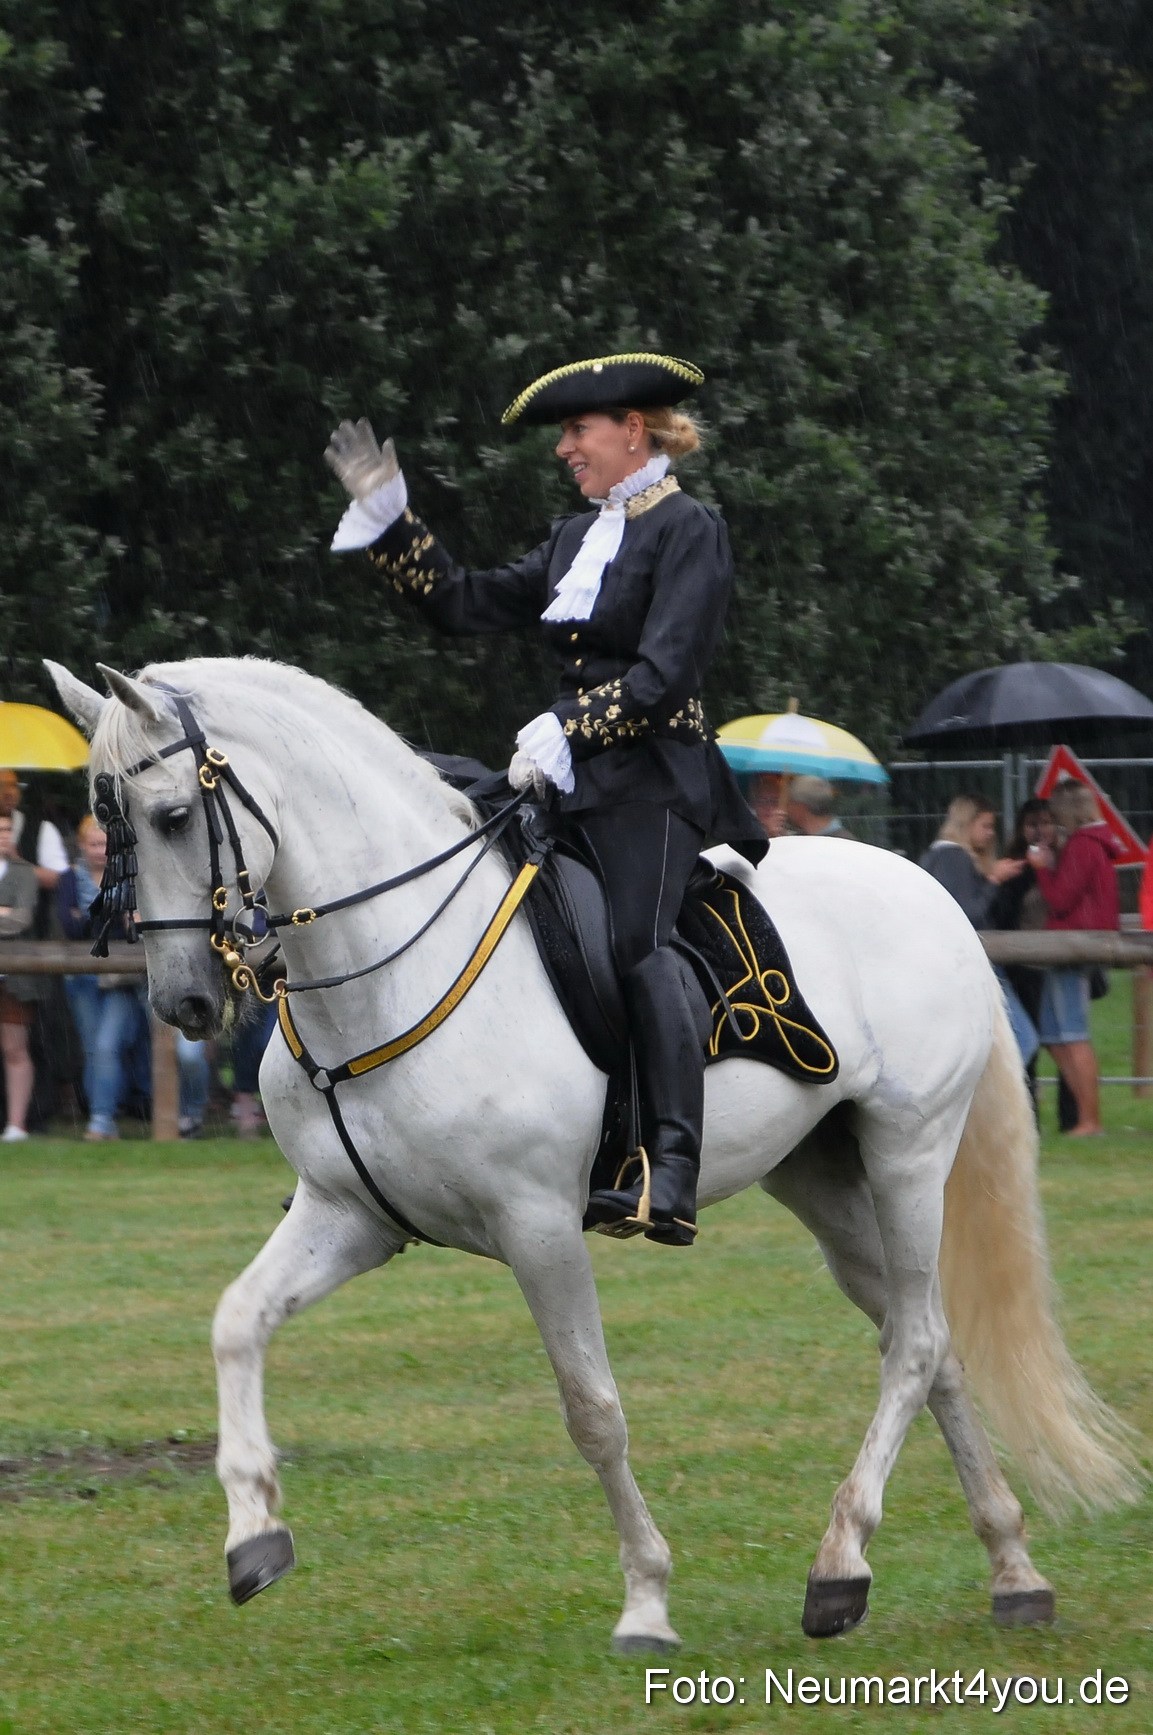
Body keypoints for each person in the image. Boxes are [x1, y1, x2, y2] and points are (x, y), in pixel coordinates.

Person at [325, 353, 767, 1245]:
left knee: (637, 944)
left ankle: (668, 1164)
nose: (565, 449)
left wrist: (571, 727)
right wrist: (389, 516)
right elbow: (462, 604)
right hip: (566, 781)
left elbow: (664, 674)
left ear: (632, 430)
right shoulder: (573, 539)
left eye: (576, 431)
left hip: (655, 782)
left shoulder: (689, 528)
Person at [1029, 778, 1121, 1136]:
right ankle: (1085, 1115)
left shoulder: (1083, 845)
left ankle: (1090, 1121)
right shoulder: (1094, 843)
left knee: (1073, 1034)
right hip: (1072, 944)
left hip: (1073, 946)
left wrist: (1042, 867)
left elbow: (1060, 900)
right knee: (1054, 1036)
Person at [919, 794, 1037, 1066]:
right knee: (1022, 1040)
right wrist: (994, 880)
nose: (991, 833)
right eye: (985, 826)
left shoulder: (935, 856)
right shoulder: (954, 857)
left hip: (950, 968)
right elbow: (970, 915)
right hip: (975, 966)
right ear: (966, 824)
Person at [57, 814, 150, 1141]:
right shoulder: (69, 879)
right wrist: (111, 914)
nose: (100, 850)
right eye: (93, 844)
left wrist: (92, 917)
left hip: (121, 977)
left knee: (107, 1045)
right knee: (92, 1050)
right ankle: (103, 1113)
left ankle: (101, 1120)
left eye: (104, 844)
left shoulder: (129, 878)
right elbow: (71, 927)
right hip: (80, 978)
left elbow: (128, 930)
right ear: (82, 846)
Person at [0, 812, 44, 1140]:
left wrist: (11, 915)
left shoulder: (24, 872)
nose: (2, 835)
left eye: (6, 829)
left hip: (12, 977)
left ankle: (16, 1125)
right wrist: (5, 911)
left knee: (15, 1048)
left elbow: (22, 919)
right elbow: (10, 918)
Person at [0, 769, 69, 891]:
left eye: (13, 785)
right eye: (2, 786)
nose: (9, 792)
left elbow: (61, 879)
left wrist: (16, 862)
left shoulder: (42, 829)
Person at [785, 775, 856, 840]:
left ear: (800, 807)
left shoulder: (843, 843)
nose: (786, 809)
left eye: (789, 803)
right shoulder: (798, 839)